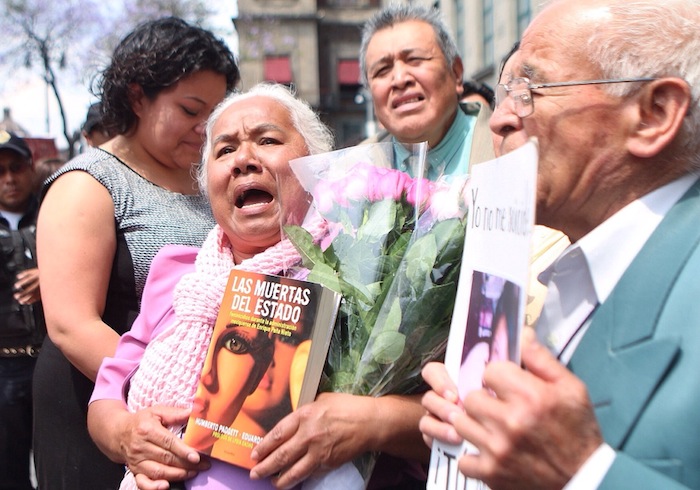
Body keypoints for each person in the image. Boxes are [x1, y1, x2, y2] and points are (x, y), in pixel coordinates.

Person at [420, 0, 700, 488]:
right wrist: (484, 430)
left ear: (654, 115)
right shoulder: (578, 267)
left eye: (530, 89)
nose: (501, 119)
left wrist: (582, 472)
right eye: (506, 91)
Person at [86, 82, 334, 490]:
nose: (243, 160)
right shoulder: (177, 273)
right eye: (224, 150)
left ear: (315, 164)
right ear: (208, 185)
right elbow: (108, 393)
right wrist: (128, 435)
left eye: (267, 139)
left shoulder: (348, 272)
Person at [32, 17, 239, 489]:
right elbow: (71, 325)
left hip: (197, 411)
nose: (205, 128)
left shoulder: (210, 182)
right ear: (138, 97)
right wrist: (167, 383)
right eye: (190, 109)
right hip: (101, 408)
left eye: (216, 111)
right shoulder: (87, 184)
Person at [360, 4, 495, 179]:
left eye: (415, 59)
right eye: (382, 70)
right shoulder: (349, 172)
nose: (400, 79)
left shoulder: (509, 150)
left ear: (456, 72)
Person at [0, 130, 44, 490]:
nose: (9, 179)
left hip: (52, 360)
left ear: (30, 169)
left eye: (16, 167)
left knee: (58, 467)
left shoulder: (56, 210)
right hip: (4, 367)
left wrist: (52, 276)